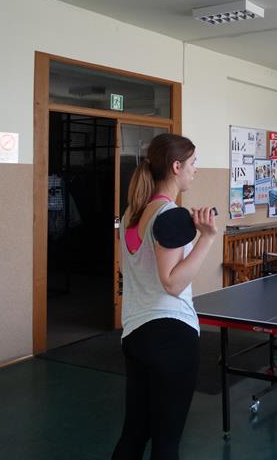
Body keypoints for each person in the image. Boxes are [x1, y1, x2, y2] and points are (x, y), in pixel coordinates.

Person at [112, 133, 217, 460]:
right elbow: (171, 283)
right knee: (166, 443)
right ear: (176, 167)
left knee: (134, 434)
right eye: (193, 163)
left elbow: (128, 270)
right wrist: (207, 239)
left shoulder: (131, 214)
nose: (195, 170)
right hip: (172, 336)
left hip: (135, 335)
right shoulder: (170, 215)